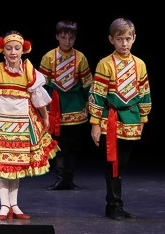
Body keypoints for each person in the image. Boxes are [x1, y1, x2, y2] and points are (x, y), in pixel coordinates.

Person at [0, 31, 58, 221]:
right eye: (9, 48)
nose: (13, 52)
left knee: (16, 165)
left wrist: (45, 117)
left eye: (16, 48)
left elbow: (38, 97)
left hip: (21, 123)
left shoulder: (29, 72)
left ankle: (14, 205)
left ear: (23, 50)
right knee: (0, 164)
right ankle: (3, 205)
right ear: (2, 50)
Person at [88, 17, 151, 221]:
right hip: (111, 118)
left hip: (130, 117)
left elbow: (144, 92)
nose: (124, 43)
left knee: (122, 163)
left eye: (128, 39)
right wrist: (95, 123)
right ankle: (113, 204)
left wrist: (143, 118)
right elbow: (97, 94)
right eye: (120, 39)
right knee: (112, 162)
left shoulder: (139, 64)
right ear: (111, 40)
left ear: (134, 39)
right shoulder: (105, 64)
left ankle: (117, 203)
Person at [38, 20, 92, 191]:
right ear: (57, 37)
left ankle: (69, 178)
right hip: (56, 106)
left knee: (73, 144)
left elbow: (87, 84)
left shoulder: (80, 57)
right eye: (63, 37)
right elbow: (42, 84)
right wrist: (44, 106)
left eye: (70, 38)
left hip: (75, 105)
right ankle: (60, 178)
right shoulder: (49, 57)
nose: (67, 41)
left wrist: (88, 104)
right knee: (58, 144)